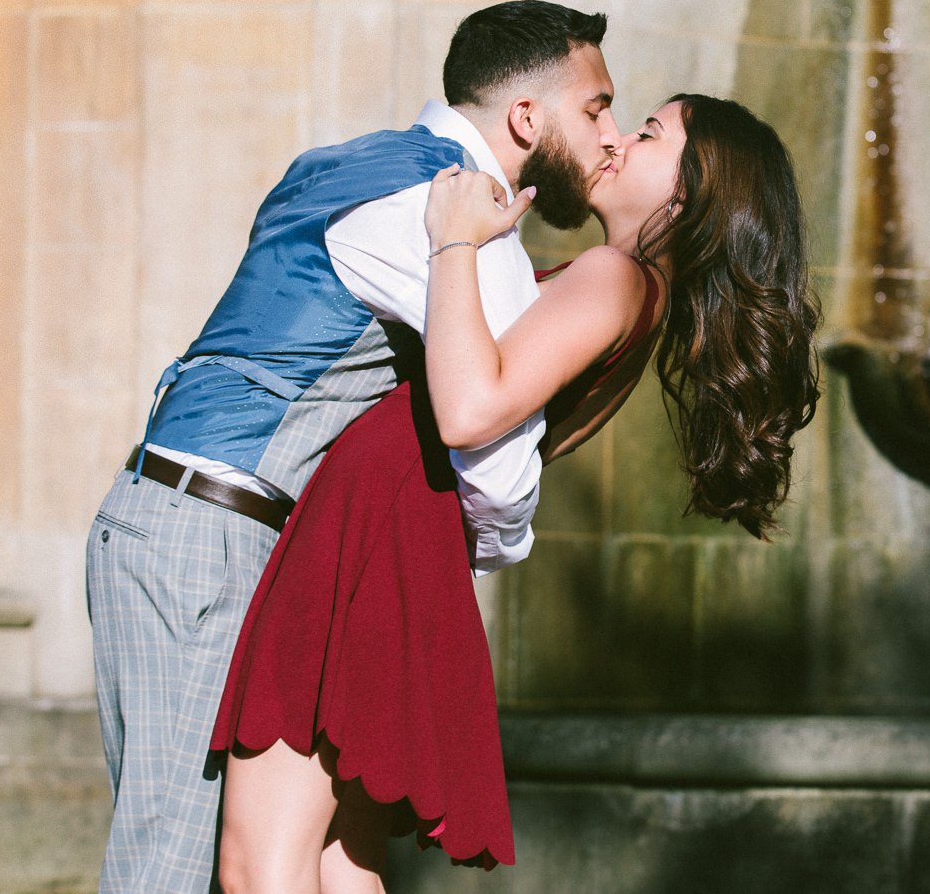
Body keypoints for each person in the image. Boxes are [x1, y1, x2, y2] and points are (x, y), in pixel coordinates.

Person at [211, 94, 821, 892]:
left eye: (648, 133)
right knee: (340, 863)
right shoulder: (635, 302)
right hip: (404, 530)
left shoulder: (616, 278)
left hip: (377, 519)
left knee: (262, 864)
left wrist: (454, 242)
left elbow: (467, 410)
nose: (617, 139)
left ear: (692, 193)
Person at [85, 1, 621, 894]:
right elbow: (493, 465)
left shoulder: (340, 161)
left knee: (184, 861)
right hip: (209, 543)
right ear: (527, 117)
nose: (607, 130)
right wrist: (481, 548)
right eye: (596, 106)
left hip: (160, 522)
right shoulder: (463, 217)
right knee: (164, 874)